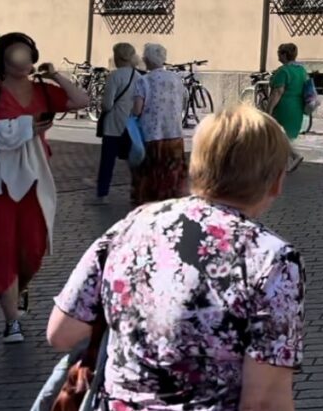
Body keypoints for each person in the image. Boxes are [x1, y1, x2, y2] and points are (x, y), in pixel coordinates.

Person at [47, 105, 304, 410]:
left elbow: (61, 333)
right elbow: (263, 402)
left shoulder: (134, 224)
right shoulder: (270, 258)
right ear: (275, 180)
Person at [0, 32, 88, 343]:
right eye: (16, 55)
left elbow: (81, 101)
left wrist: (54, 72)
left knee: (32, 248)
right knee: (2, 247)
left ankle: (21, 286)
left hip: (34, 179)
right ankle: (11, 321)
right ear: (3, 61)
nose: (23, 60)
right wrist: (20, 128)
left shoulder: (42, 90)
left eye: (27, 54)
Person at [131, 43, 187, 206]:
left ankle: (151, 201)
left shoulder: (144, 81)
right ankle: (172, 198)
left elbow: (137, 110)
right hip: (174, 132)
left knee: (151, 170)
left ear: (146, 60)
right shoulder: (176, 79)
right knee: (172, 168)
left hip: (151, 133)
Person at [94, 43, 140, 205]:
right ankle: (137, 192)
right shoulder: (138, 76)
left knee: (107, 161)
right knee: (132, 161)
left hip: (113, 125)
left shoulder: (114, 76)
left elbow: (107, 104)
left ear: (117, 58)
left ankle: (102, 194)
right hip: (130, 125)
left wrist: (103, 105)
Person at [267, 42, 308, 172]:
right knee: (283, 135)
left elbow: (277, 92)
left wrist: (269, 109)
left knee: (276, 133)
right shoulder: (301, 70)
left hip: (284, 107)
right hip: (297, 106)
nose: (278, 55)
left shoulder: (283, 71)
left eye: (279, 53)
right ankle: (283, 161)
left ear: (284, 55)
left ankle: (293, 156)